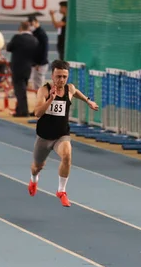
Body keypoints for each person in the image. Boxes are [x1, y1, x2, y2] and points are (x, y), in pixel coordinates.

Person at [28, 60, 99, 207]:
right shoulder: (44, 90)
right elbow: (37, 113)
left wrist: (88, 101)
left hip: (61, 135)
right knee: (37, 166)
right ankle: (34, 180)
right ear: (52, 76)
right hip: (44, 136)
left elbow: (76, 92)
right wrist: (51, 99)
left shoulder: (70, 89)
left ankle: (61, 191)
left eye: (64, 77)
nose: (61, 80)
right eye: (58, 76)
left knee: (67, 155)